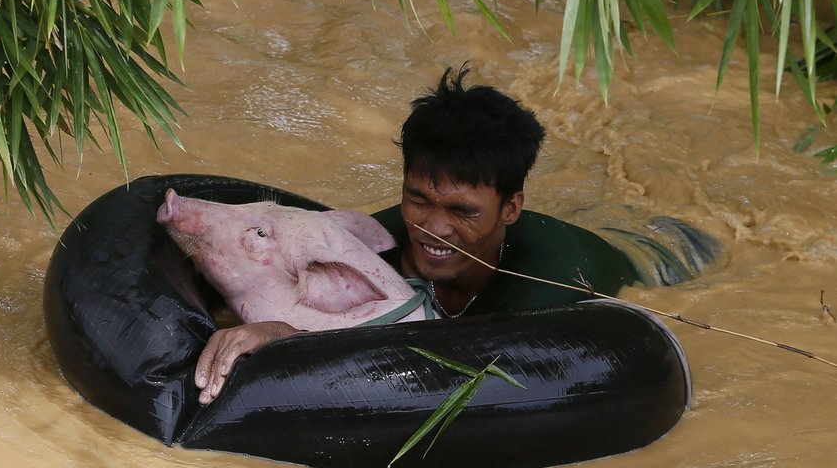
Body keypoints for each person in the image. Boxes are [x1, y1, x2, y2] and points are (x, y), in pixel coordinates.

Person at [194, 65, 636, 403]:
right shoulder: (374, 247)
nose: (433, 227)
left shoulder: (553, 280)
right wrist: (270, 330)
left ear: (511, 208)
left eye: (463, 210)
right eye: (419, 199)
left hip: (656, 256)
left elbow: (462, 365)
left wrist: (293, 341)